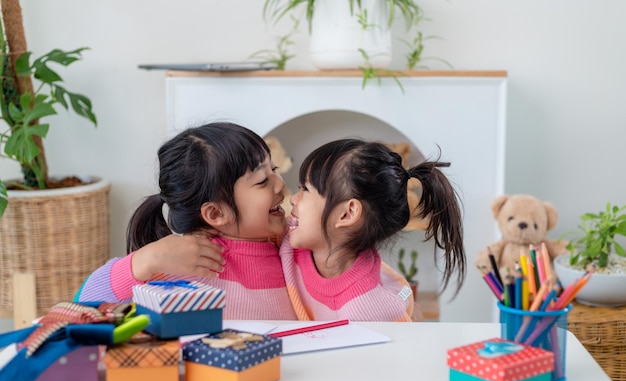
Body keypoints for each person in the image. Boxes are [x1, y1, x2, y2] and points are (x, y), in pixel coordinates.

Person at [75, 122, 297, 320]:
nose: (279, 184)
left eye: (274, 170)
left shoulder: (291, 244)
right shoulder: (187, 262)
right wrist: (146, 260)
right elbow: (81, 309)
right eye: (262, 181)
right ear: (216, 214)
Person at [280, 138, 466, 322]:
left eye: (305, 189)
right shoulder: (288, 239)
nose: (293, 199)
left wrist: (407, 305)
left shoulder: (370, 311)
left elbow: (401, 295)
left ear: (347, 214)